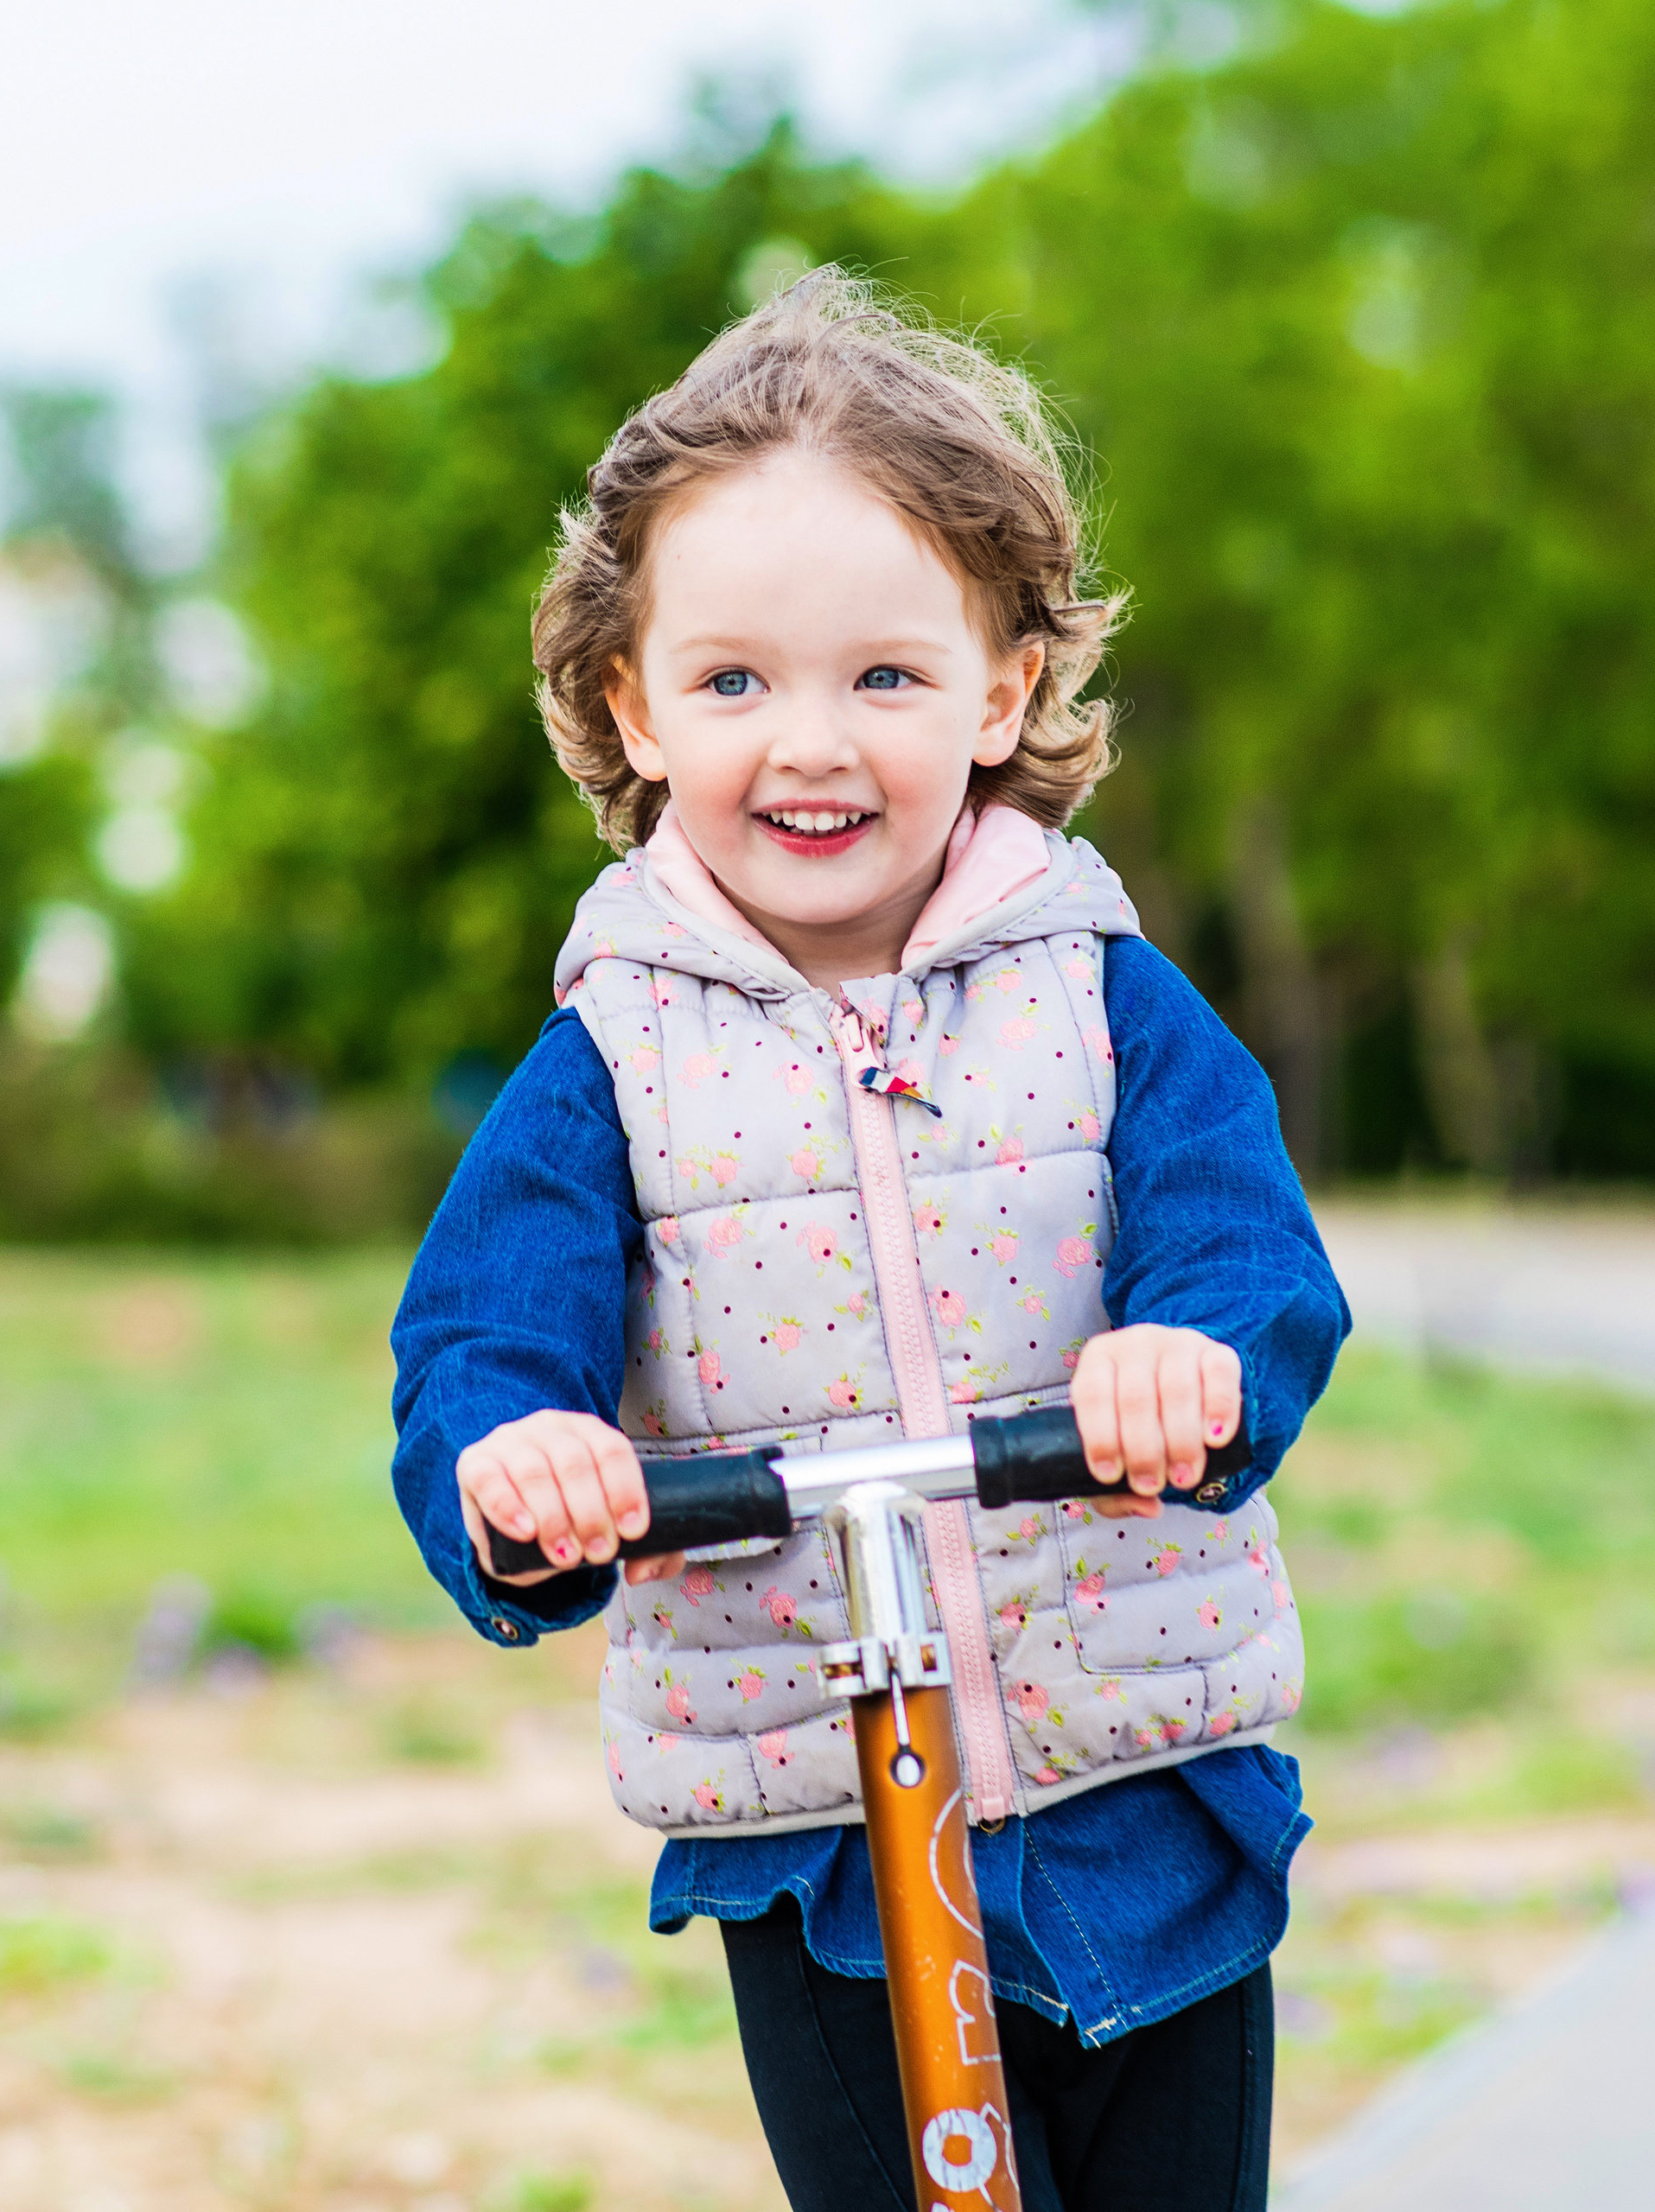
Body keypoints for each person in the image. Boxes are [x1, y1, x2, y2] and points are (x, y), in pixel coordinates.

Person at [391, 270, 1349, 2212]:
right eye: (736, 679)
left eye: (885, 676)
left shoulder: (1104, 993)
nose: (808, 740)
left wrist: (1194, 1357)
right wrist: (519, 1459)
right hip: (816, 1823)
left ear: (1001, 688)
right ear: (630, 706)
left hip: (1137, 1777)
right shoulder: (610, 1058)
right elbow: (483, 1341)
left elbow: (1246, 1251)